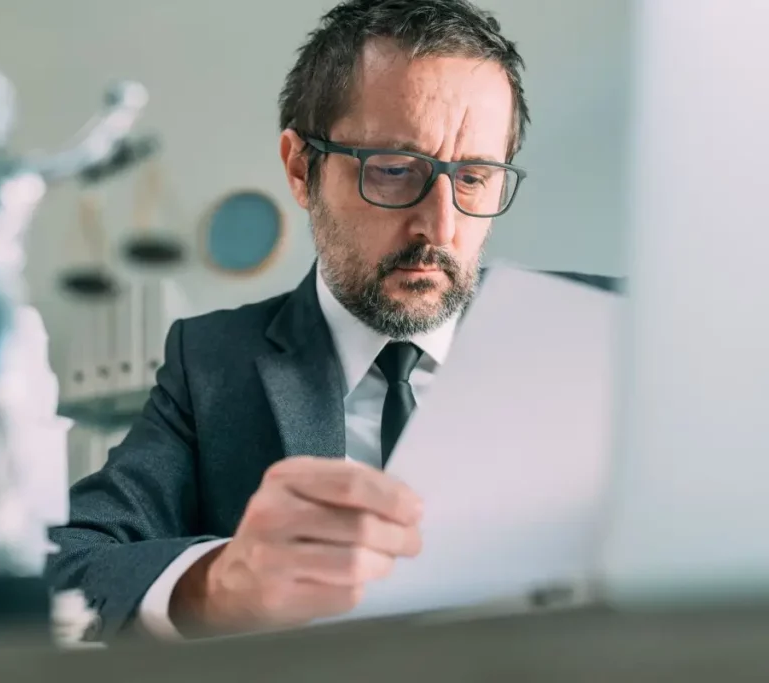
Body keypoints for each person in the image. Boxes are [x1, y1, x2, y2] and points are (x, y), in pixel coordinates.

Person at [47, 0, 616, 641]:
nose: (440, 226)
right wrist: (223, 582)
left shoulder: (605, 332)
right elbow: (66, 564)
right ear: (301, 169)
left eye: (475, 177)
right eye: (394, 171)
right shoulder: (211, 365)